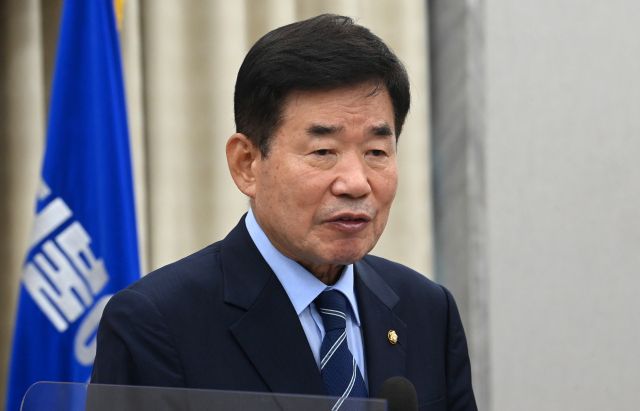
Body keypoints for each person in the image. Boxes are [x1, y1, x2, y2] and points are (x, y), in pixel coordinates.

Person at [91, 14, 477, 411]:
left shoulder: (428, 310)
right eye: (323, 152)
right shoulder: (156, 322)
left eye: (376, 152)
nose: (356, 183)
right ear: (246, 164)